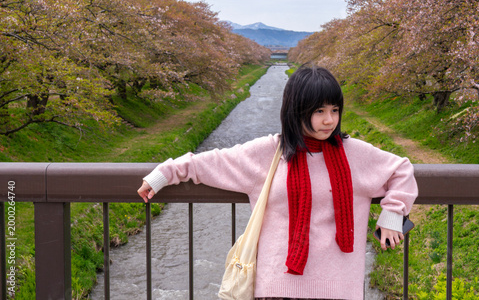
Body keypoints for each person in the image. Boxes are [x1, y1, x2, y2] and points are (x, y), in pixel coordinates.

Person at [137, 65, 418, 300]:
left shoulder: (355, 153)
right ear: (296, 110)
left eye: (335, 109)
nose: (329, 120)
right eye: (319, 111)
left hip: (341, 288)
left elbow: (401, 170)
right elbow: (210, 162)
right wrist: (163, 175)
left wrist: (392, 213)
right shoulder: (270, 152)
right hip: (277, 288)